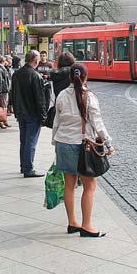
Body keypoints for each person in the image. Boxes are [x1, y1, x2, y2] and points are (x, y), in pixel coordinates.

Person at [52, 63, 114, 238]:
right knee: (90, 186)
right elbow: (97, 123)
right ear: (85, 77)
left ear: (70, 77)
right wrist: (109, 144)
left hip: (63, 143)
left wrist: (55, 142)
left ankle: (72, 223)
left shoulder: (62, 95)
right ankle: (87, 225)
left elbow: (56, 121)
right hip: (83, 145)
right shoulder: (89, 97)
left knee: (69, 185)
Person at [9, 50, 47, 177]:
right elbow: (40, 99)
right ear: (35, 61)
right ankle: (28, 168)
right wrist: (43, 117)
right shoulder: (35, 76)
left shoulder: (17, 74)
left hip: (21, 112)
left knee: (24, 141)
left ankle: (23, 166)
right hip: (32, 113)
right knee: (30, 142)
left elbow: (12, 92)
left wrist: (14, 108)